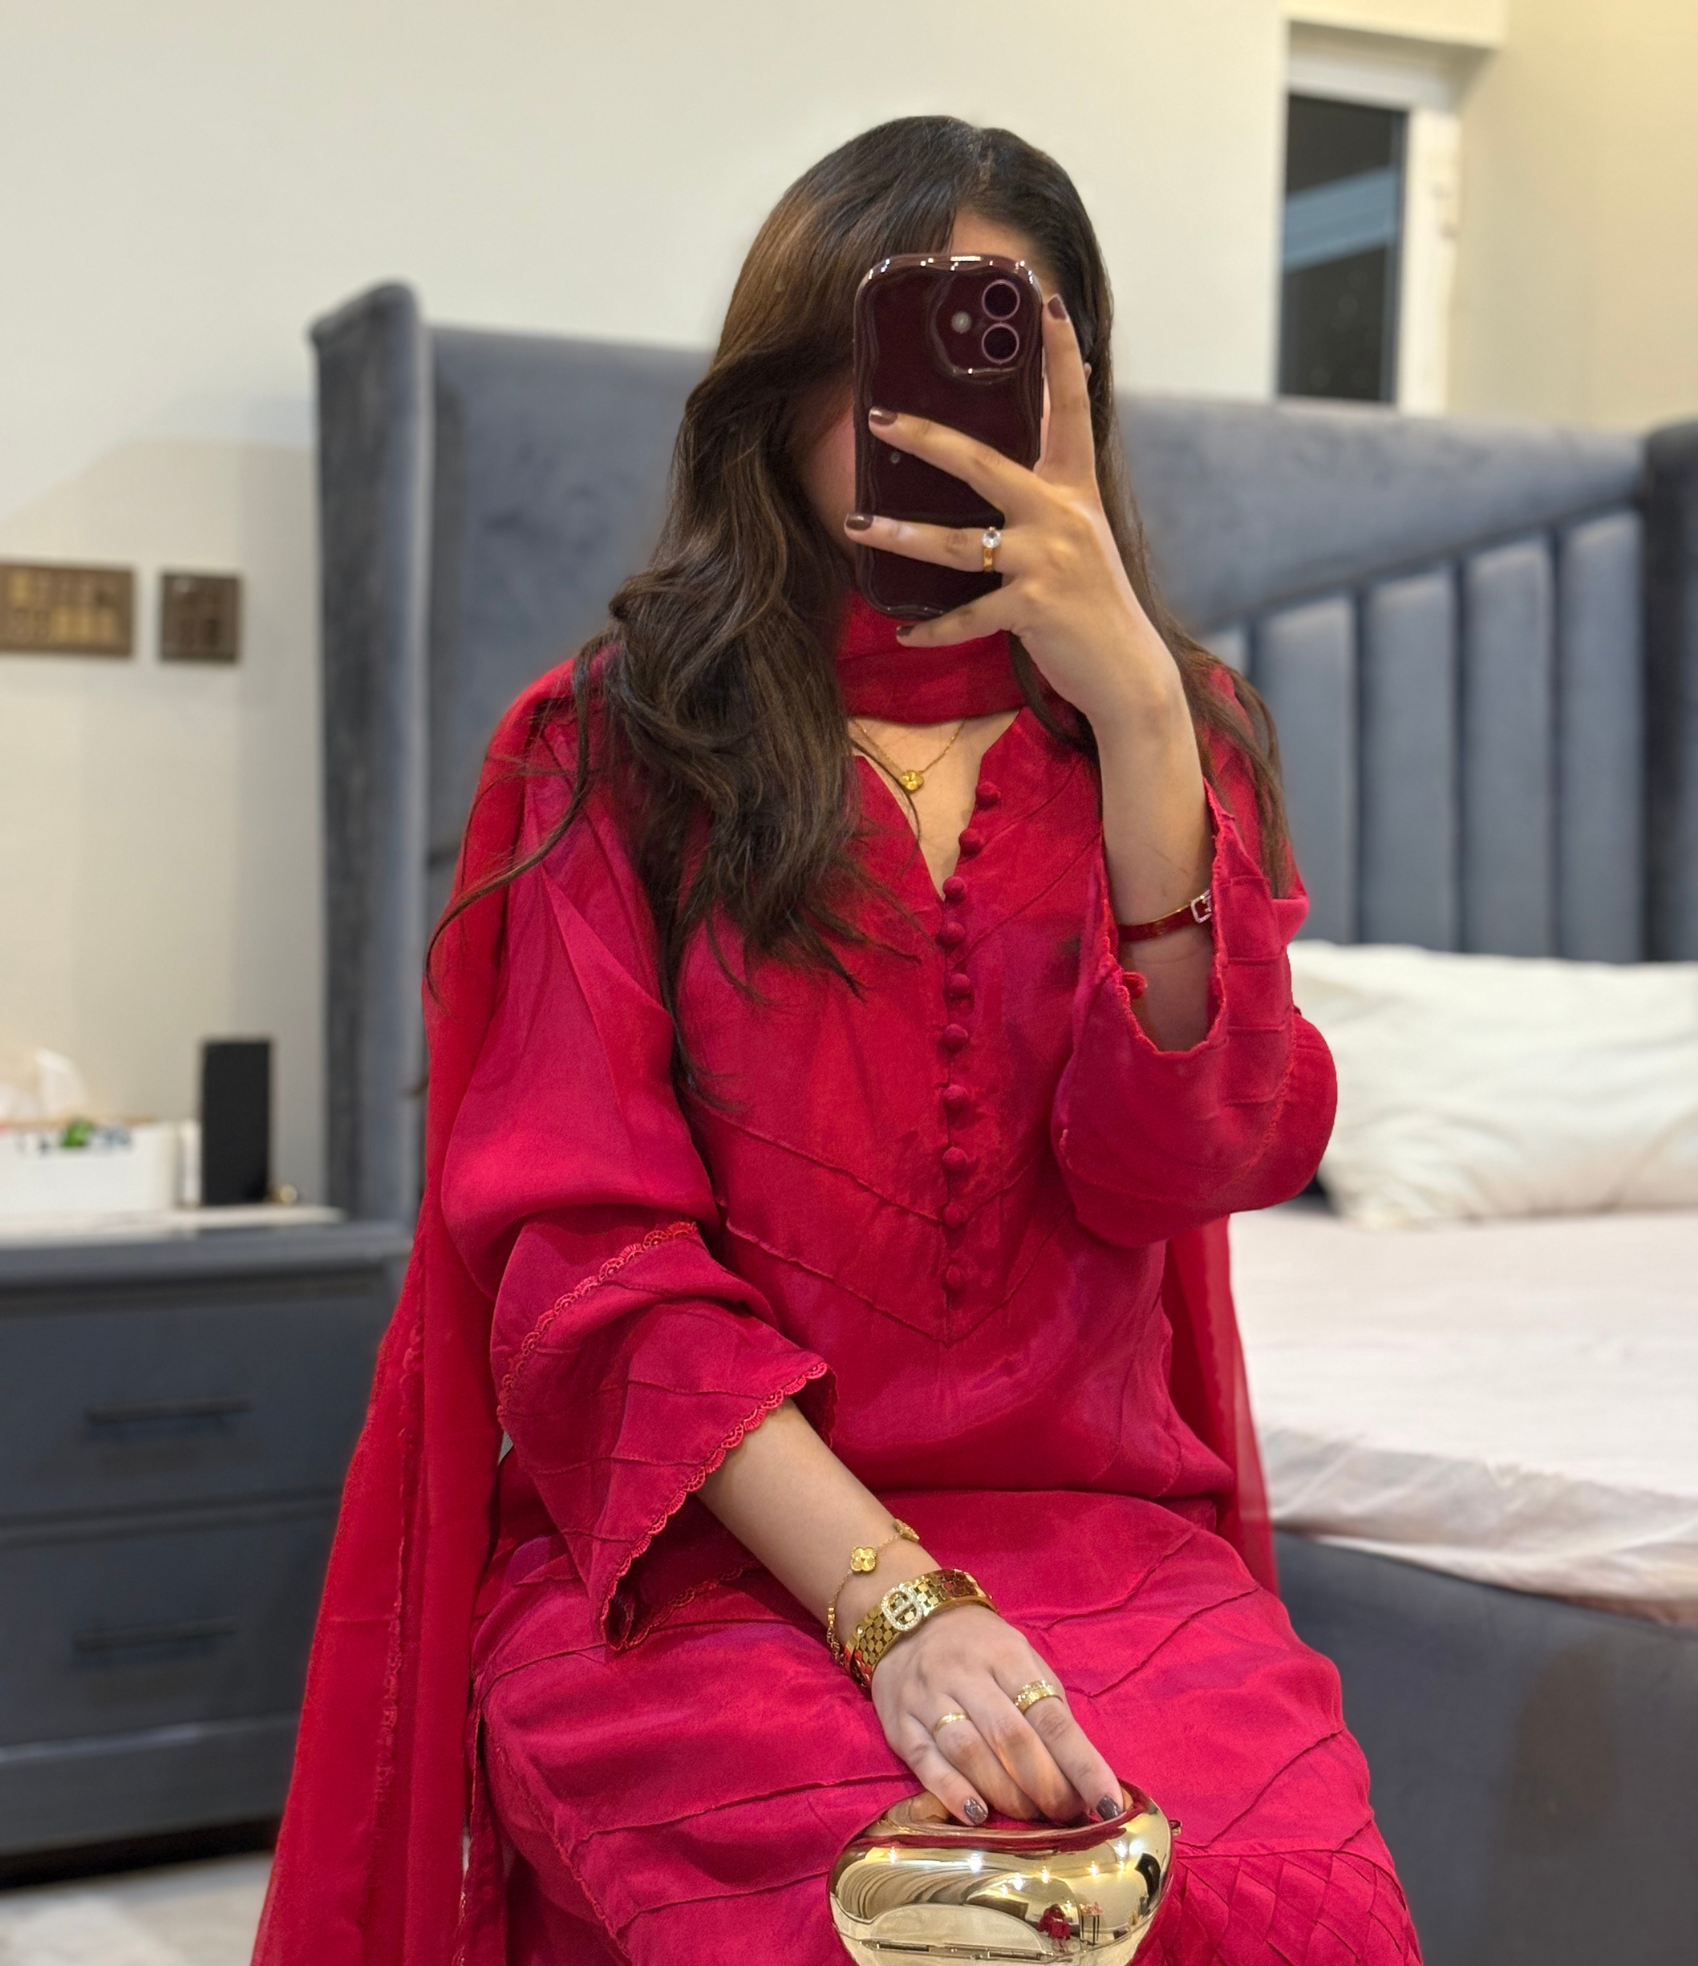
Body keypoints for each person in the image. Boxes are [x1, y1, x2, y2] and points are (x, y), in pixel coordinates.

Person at [255, 117, 1419, 1966]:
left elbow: (1190, 1163)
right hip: (709, 1570)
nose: (926, 415)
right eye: (878, 355)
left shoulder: (1167, 734)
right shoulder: (609, 746)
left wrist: (1136, 724)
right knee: (883, 1928)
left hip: (1112, 1549)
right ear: (785, 389)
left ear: (1075, 389)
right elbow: (588, 1264)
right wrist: (895, 1610)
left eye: (1000, 347)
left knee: (1274, 1912)